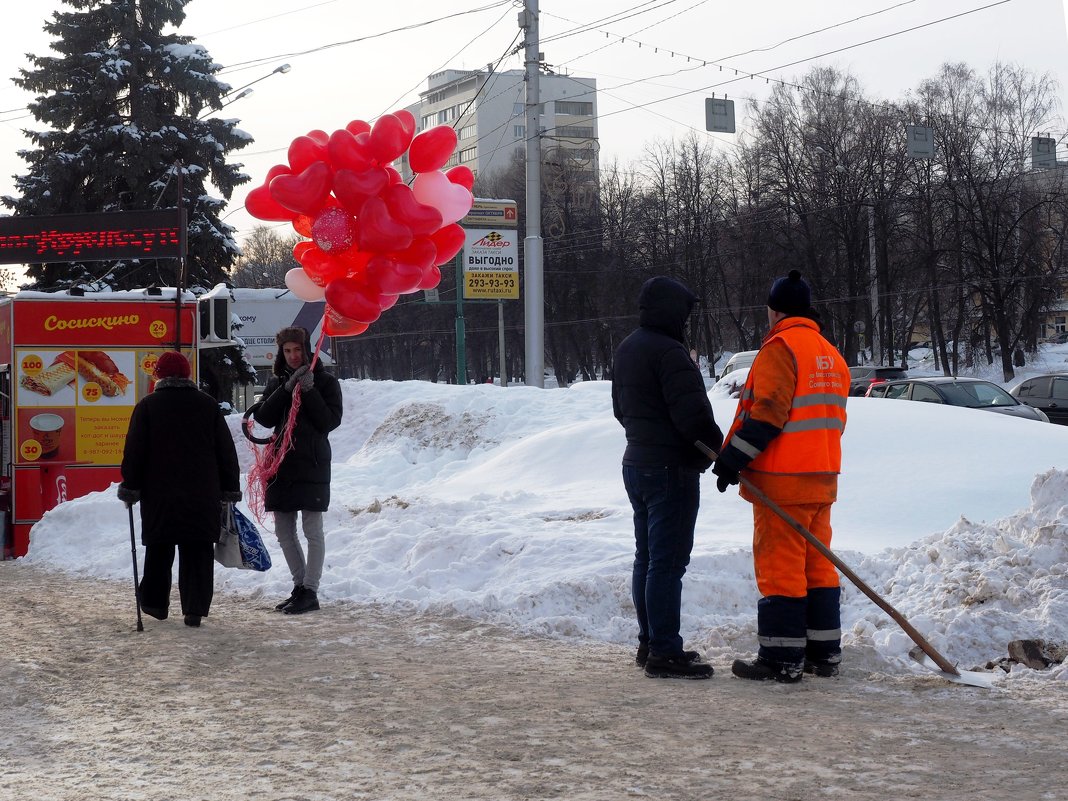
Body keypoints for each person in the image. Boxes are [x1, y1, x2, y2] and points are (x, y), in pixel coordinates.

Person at [712, 270, 849, 683]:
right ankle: (823, 654)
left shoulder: (779, 348)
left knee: (780, 566)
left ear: (773, 311)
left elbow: (767, 413)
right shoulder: (829, 352)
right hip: (822, 475)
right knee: (817, 564)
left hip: (783, 479)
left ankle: (781, 658)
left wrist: (732, 459)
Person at [612, 276, 724, 680]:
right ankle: (664, 651)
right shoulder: (671, 353)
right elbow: (692, 417)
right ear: (674, 311)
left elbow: (619, 411)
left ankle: (650, 643)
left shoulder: (627, 348)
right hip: (668, 469)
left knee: (647, 559)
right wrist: (717, 451)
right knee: (667, 563)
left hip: (636, 463)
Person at [118, 351, 241, 628]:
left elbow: (134, 451)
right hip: (202, 493)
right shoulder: (207, 405)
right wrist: (230, 487)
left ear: (159, 374)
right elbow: (225, 451)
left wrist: (131, 486)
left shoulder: (148, 406)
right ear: (187, 374)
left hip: (160, 494)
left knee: (159, 549)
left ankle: (155, 603)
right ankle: (194, 609)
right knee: (197, 550)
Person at [253, 326, 343, 615]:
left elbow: (328, 422)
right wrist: (286, 389)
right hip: (281, 465)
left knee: (312, 530)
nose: (293, 356)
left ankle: (310, 590)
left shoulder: (326, 382)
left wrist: (309, 389)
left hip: (313, 464)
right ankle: (298, 586)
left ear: (308, 350)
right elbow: (264, 418)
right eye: (287, 350)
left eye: (297, 350)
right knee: (283, 531)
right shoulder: (277, 382)